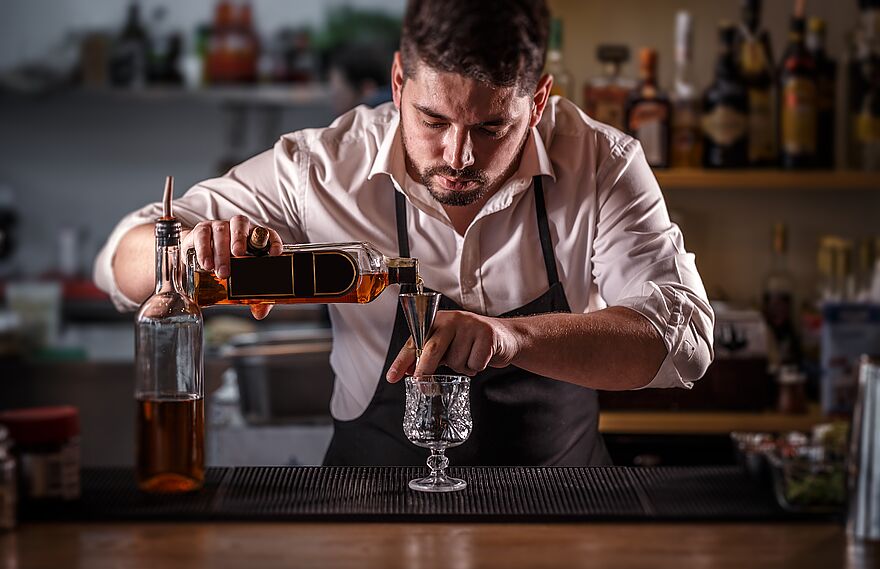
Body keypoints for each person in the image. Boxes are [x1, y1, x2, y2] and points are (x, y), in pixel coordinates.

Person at [94, 0, 714, 466]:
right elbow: (118, 264)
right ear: (398, 84)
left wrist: (512, 337)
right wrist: (183, 251)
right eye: (432, 119)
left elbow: (683, 339)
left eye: (493, 127)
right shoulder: (321, 167)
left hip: (561, 519)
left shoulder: (602, 163)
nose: (458, 155)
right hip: (366, 514)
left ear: (540, 101)